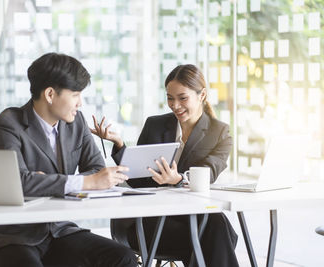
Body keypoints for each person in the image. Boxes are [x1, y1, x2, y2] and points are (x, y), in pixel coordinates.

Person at [0, 53, 137, 267]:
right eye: (76, 95)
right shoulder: (7, 125)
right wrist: (85, 182)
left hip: (60, 230)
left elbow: (97, 169)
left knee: (123, 257)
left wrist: (48, 181)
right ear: (51, 94)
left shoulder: (76, 122)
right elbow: (19, 182)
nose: (80, 103)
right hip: (15, 235)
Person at [91, 64, 239, 267]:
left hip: (190, 220)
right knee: (216, 228)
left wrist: (178, 179)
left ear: (202, 95)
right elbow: (136, 179)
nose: (175, 105)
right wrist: (119, 144)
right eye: (170, 98)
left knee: (210, 226)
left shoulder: (219, 132)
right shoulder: (155, 125)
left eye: (182, 98)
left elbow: (210, 172)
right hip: (149, 221)